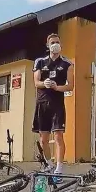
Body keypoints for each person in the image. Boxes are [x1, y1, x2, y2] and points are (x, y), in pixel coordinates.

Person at [32, 33, 74, 183]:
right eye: (52, 42)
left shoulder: (67, 64)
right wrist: (45, 84)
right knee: (43, 139)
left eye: (57, 42)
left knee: (58, 136)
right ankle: (48, 165)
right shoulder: (39, 62)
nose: (55, 44)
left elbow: (71, 85)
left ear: (60, 45)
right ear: (48, 45)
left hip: (57, 104)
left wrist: (57, 87)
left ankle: (59, 168)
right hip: (42, 103)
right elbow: (36, 82)